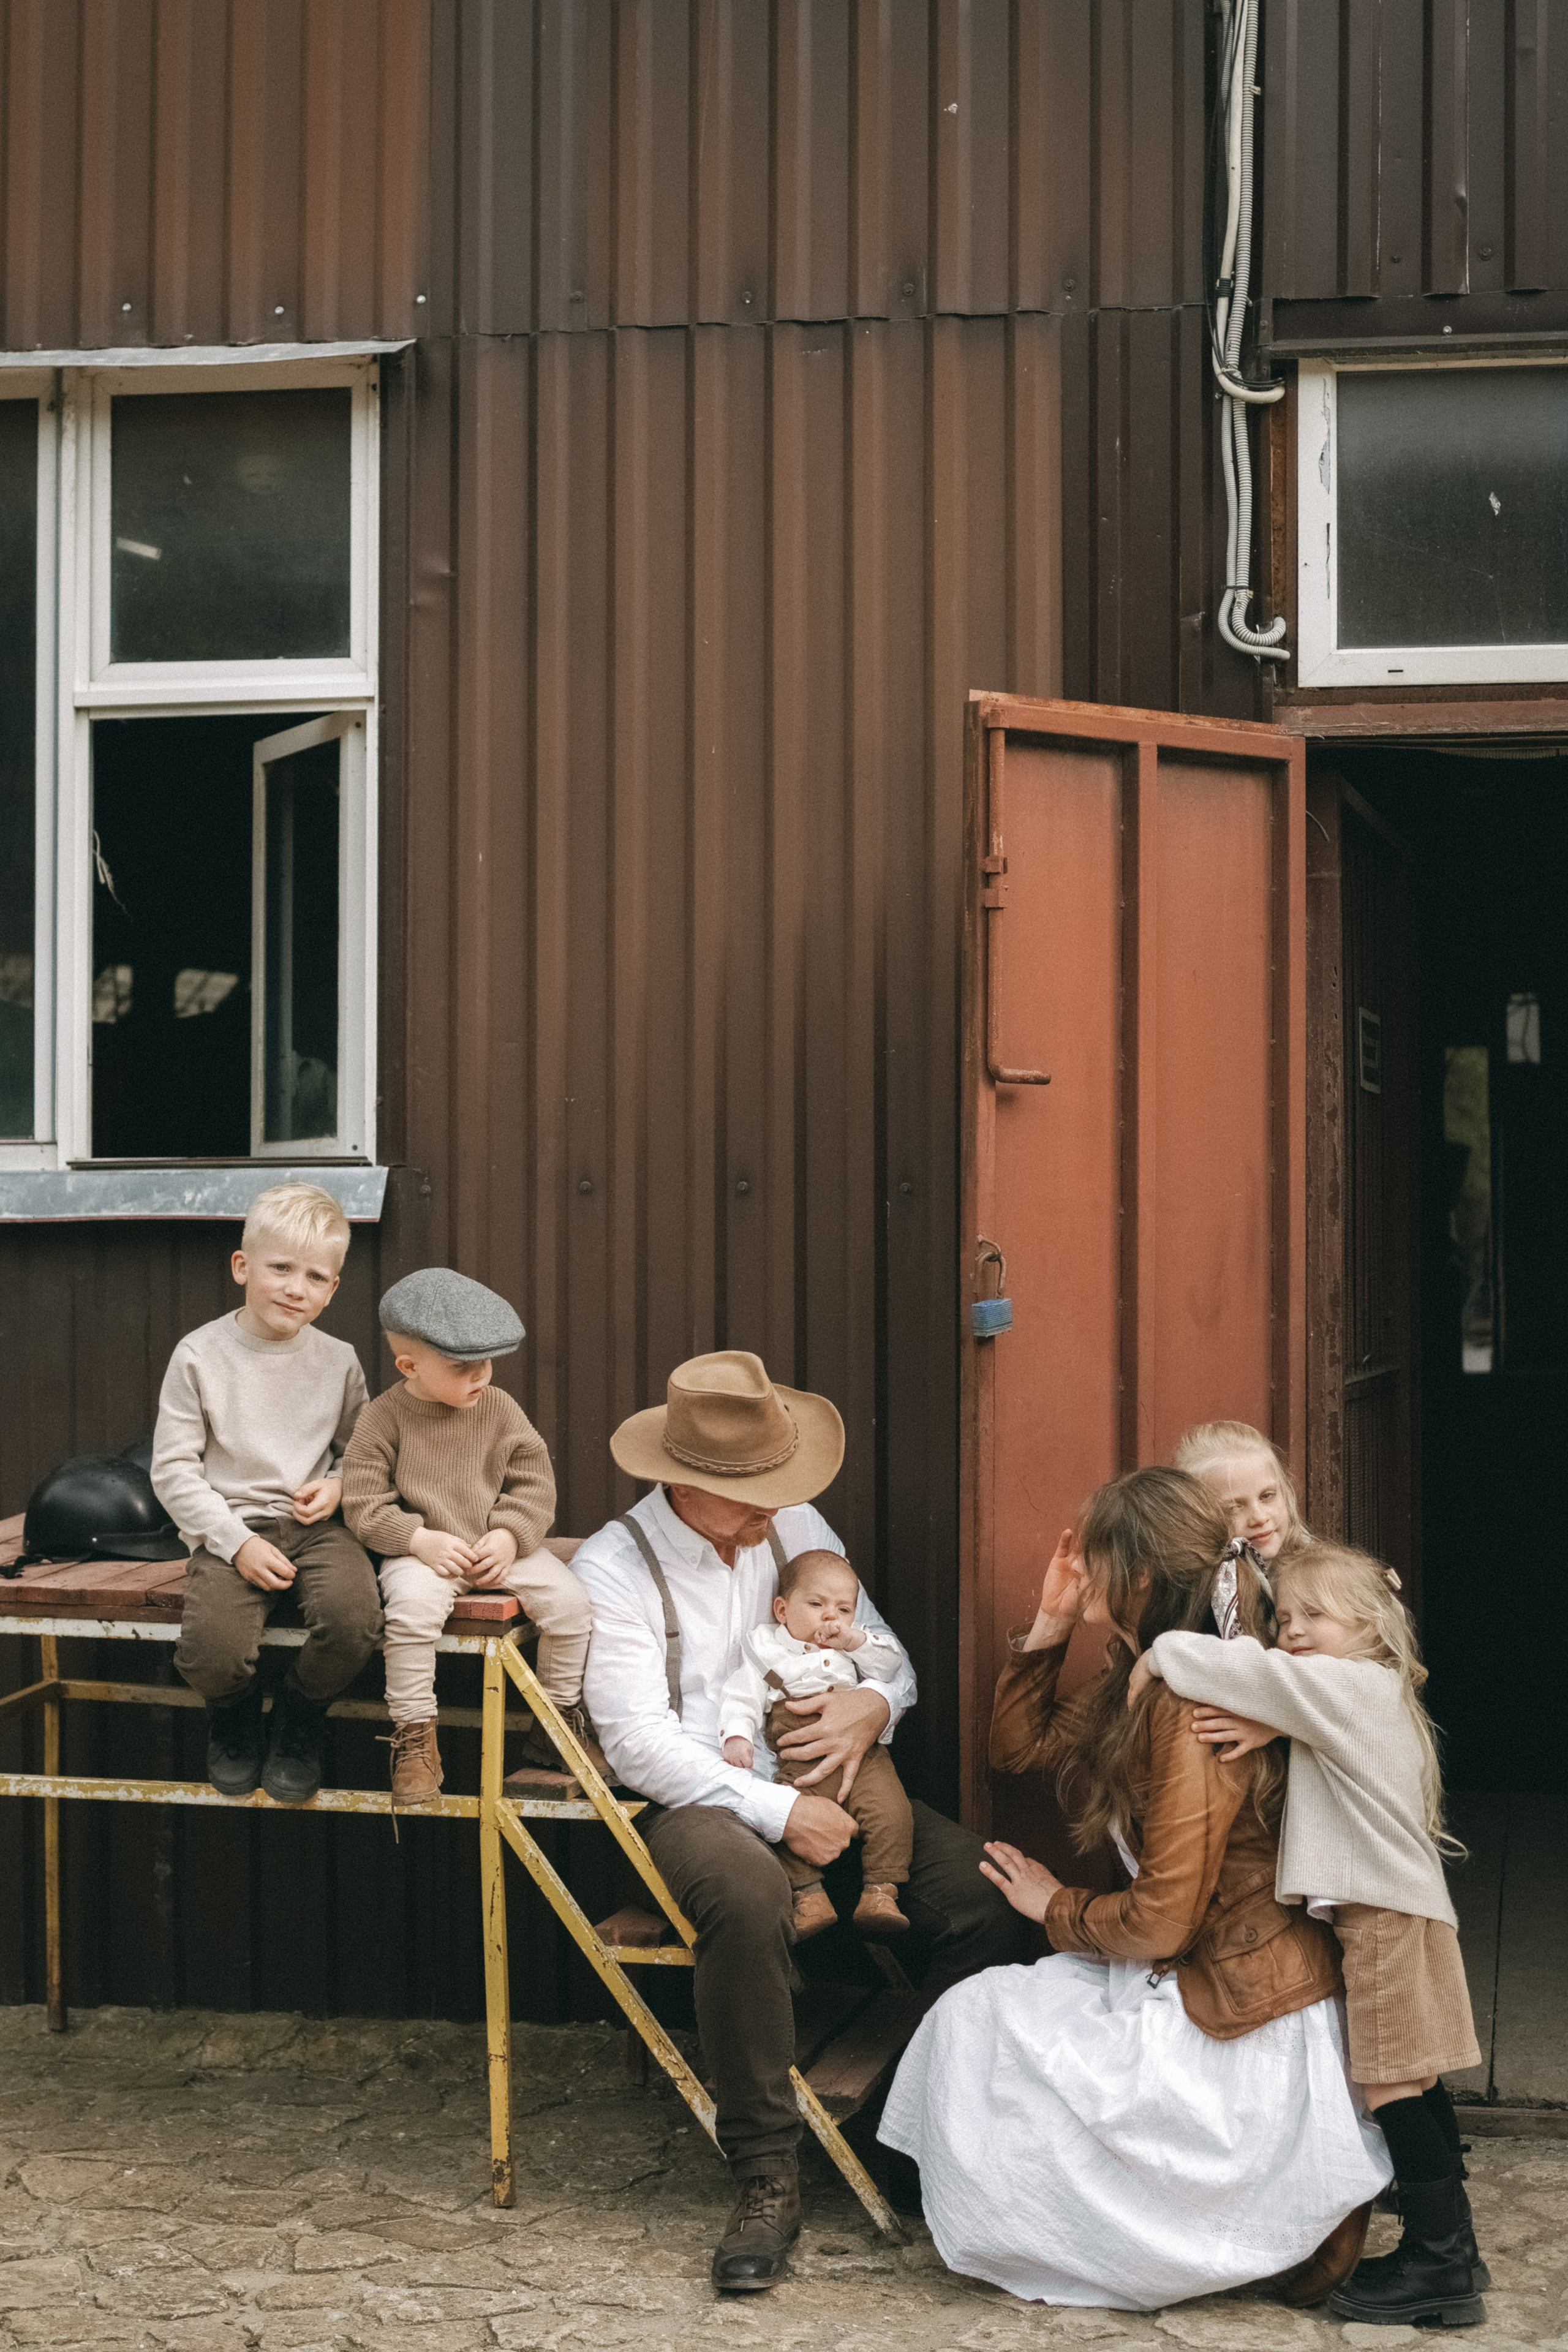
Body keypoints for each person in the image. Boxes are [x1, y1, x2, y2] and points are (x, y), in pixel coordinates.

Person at [878, 1467, 1390, 2310]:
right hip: (1194, 1967)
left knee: (989, 2017)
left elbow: (1160, 1921)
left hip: (1234, 2002)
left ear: (1141, 1575)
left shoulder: (1189, 1701)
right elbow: (1017, 1752)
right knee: (989, 2012)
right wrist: (1051, 1621)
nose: (1078, 1568)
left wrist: (1055, 1909)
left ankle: (1278, 2220)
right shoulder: (1139, 1674)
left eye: (1093, 1556)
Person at [573, 1350, 1029, 2294]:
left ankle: (915, 2131)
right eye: (750, 1494)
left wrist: (875, 1703)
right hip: (700, 1794)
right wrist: (783, 1811)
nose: (773, 1511)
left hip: (839, 1773)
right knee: (745, 1902)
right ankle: (765, 2171)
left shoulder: (794, 1523)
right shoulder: (616, 1567)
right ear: (681, 1481)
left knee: (988, 1899)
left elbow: (887, 1654)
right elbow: (638, 1746)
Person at [1135, 1539, 1487, 2328]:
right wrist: (1276, 1728)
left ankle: (1439, 2269)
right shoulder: (1365, 1691)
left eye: (1314, 1616)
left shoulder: (1343, 1684)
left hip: (1382, 1916)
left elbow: (1248, 1674)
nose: (1291, 1629)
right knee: (1418, 2076)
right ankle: (1454, 2252)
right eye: (1283, 1615)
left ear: (1369, 1624)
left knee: (1388, 2079)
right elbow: (1294, 1707)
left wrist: (1159, 1651)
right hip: (1401, 1905)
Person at [152, 1182, 382, 1805]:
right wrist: (235, 1542)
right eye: (280, 1268)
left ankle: (300, 1716)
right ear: (242, 1266)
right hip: (229, 1528)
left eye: (314, 1276)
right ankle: (235, 1714)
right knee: (210, 1654)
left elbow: (362, 1454)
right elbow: (173, 1471)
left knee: (355, 1620)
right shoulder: (199, 1355)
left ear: (332, 1288)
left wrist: (336, 1488)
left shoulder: (339, 1361)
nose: (294, 1288)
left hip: (316, 1528)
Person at [341, 1268, 595, 1806]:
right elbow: (362, 1504)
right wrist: (416, 1539)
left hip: (499, 1545)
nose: (481, 1375)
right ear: (410, 1366)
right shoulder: (382, 1419)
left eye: (487, 1361)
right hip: (424, 1552)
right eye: (463, 1367)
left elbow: (534, 1481)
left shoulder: (500, 1409)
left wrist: (508, 1535)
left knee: (573, 1608)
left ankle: (555, 1725)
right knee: (409, 1617)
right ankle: (414, 1738)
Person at [718, 1546, 913, 1941]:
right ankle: (809, 1898)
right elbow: (741, 1697)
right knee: (782, 1827)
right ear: (782, 1610)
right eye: (817, 1604)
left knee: (893, 1812)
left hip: (865, 1757)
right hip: (801, 1758)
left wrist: (855, 1639)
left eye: (844, 1609)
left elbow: (891, 1666)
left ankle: (881, 1894)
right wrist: (737, 1735)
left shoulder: (853, 1646)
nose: (831, 1617)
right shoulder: (767, 1650)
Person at [1172, 1417, 1308, 1566]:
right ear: (1194, 1516)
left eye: (1267, 1496)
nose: (1260, 1518)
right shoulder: (1190, 1586)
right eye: (1234, 1508)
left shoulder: (1318, 1577)